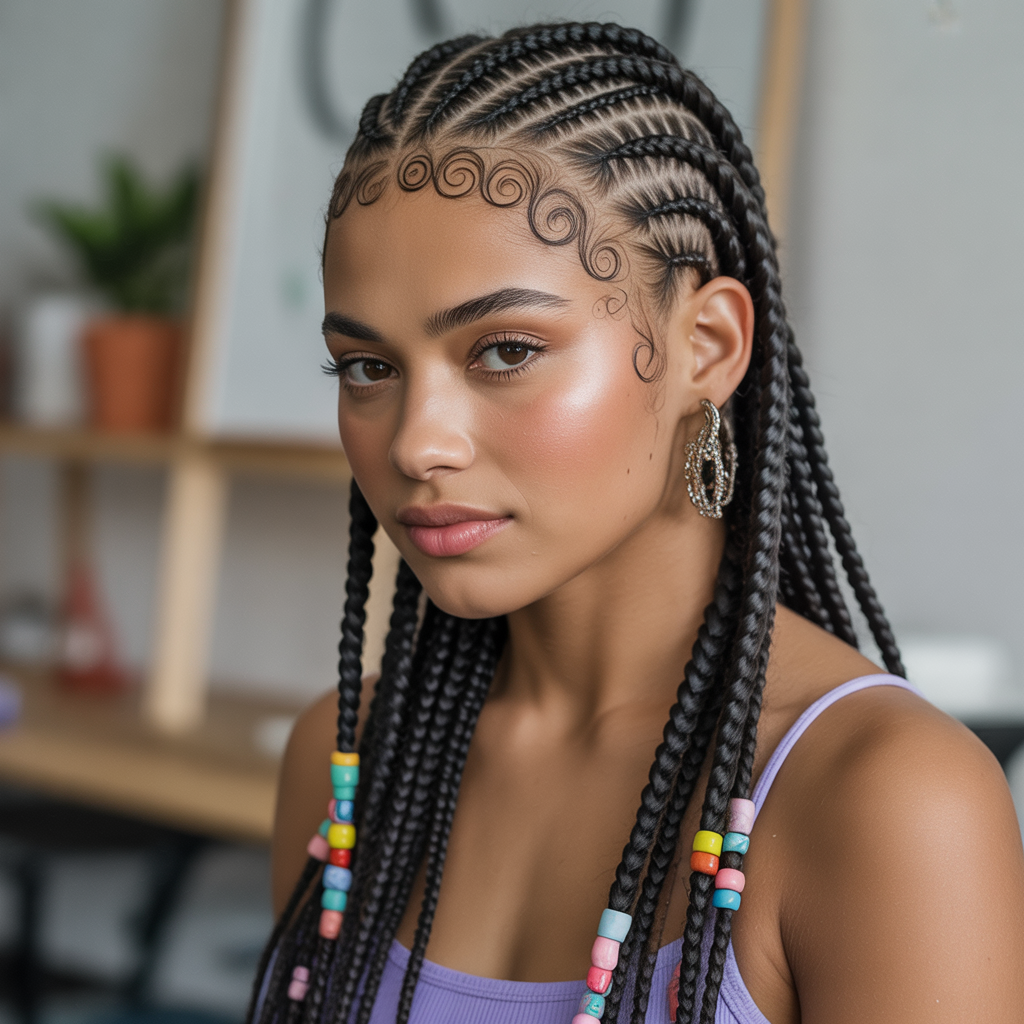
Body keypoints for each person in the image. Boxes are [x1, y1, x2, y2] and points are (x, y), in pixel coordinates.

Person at [251, 22, 1024, 1024]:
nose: (416, 443)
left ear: (707, 345)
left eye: (505, 350)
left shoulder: (886, 801)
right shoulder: (347, 758)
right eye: (367, 367)